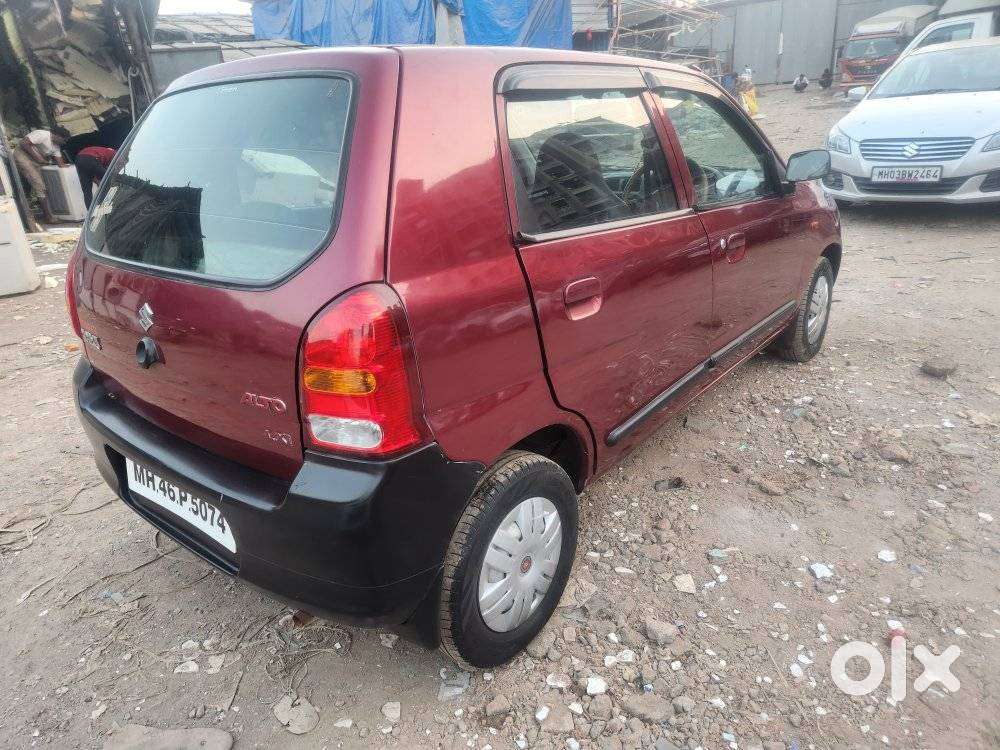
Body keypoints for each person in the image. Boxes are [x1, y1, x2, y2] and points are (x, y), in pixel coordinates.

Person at [12, 126, 70, 223]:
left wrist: (69, 167)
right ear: (58, 136)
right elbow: (23, 143)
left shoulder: (56, 146)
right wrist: (37, 157)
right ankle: (48, 217)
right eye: (64, 140)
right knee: (39, 185)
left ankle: (43, 213)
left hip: (36, 160)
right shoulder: (42, 134)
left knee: (39, 186)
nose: (65, 143)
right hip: (23, 155)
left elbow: (60, 163)